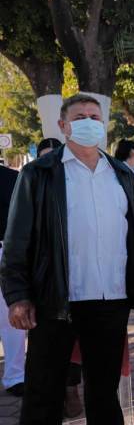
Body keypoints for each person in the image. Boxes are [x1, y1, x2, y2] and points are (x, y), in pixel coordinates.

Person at [0, 94, 134, 424]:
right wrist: (18, 296)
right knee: (44, 393)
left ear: (104, 125)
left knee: (103, 393)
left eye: (95, 117)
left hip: (109, 299)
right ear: (63, 125)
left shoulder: (124, 177)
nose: (89, 122)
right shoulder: (37, 175)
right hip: (54, 301)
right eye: (80, 116)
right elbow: (17, 242)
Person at [34, 138, 84, 417]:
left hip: (86, 284)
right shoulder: (31, 184)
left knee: (77, 341)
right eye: (45, 157)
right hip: (48, 285)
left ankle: (71, 387)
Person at [0, 162, 24, 397]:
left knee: (11, 319)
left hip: (5, 251)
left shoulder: (13, 178)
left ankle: (15, 376)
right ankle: (15, 377)